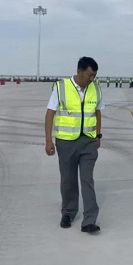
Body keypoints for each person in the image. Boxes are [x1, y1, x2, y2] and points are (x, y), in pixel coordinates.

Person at [45, 56, 104, 234]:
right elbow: (50, 113)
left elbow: (98, 112)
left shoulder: (95, 88)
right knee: (68, 179)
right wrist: (48, 140)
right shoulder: (61, 87)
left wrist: (98, 135)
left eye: (94, 75)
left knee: (87, 179)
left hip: (88, 142)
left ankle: (89, 220)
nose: (92, 78)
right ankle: (68, 212)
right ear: (79, 71)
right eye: (89, 75)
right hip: (66, 142)